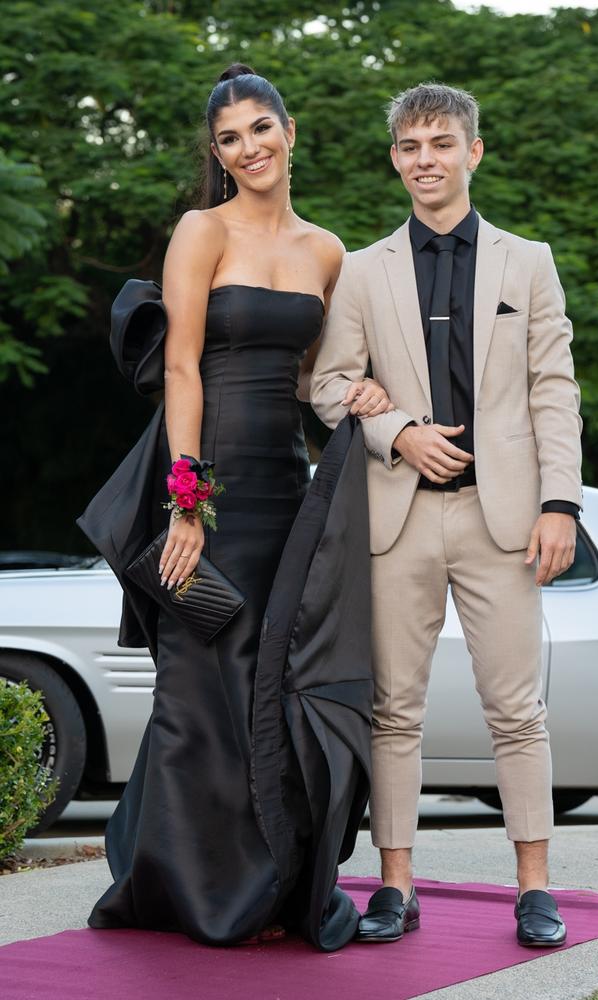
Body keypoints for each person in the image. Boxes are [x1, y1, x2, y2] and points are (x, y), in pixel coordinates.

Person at [77, 63, 391, 951]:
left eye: (261, 128)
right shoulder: (200, 230)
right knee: (195, 684)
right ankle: (187, 886)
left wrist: (360, 397)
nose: (248, 147)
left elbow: (309, 380)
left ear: (291, 133)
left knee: (273, 687)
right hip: (206, 491)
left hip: (287, 492)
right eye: (230, 138)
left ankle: (273, 887)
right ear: (217, 155)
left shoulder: (328, 251)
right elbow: (180, 367)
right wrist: (185, 503)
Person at [311, 81, 582, 948]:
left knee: (518, 710)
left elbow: (553, 389)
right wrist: (395, 431)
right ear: (394, 158)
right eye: (409, 146)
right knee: (395, 709)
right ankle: (396, 885)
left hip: (503, 520)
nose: (424, 159)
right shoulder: (360, 269)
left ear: (473, 152)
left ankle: (534, 888)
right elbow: (324, 385)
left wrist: (559, 503)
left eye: (440, 143)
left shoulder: (527, 261)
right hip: (396, 520)